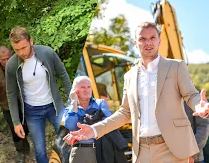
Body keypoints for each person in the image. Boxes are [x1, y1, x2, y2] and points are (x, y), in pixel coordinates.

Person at [63, 22, 209, 163]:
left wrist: (199, 107)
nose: (148, 43)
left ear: (159, 41)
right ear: (135, 44)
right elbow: (125, 113)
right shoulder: (129, 76)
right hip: (142, 151)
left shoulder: (176, 66)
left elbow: (191, 95)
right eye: (142, 39)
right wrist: (94, 130)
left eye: (152, 38)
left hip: (172, 149)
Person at [6, 26, 72, 163]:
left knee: (68, 141)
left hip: (55, 107)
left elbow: (63, 75)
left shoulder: (47, 53)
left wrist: (73, 101)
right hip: (32, 112)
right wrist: (16, 122)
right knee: (40, 150)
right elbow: (11, 94)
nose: (21, 53)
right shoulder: (11, 65)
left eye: (23, 48)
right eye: (16, 50)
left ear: (31, 41)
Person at [63, 75, 112, 163]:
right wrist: (73, 102)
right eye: (82, 87)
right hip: (79, 151)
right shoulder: (70, 108)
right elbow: (70, 126)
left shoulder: (101, 103)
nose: (87, 90)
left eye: (89, 87)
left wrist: (88, 128)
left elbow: (108, 124)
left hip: (101, 149)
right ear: (75, 91)